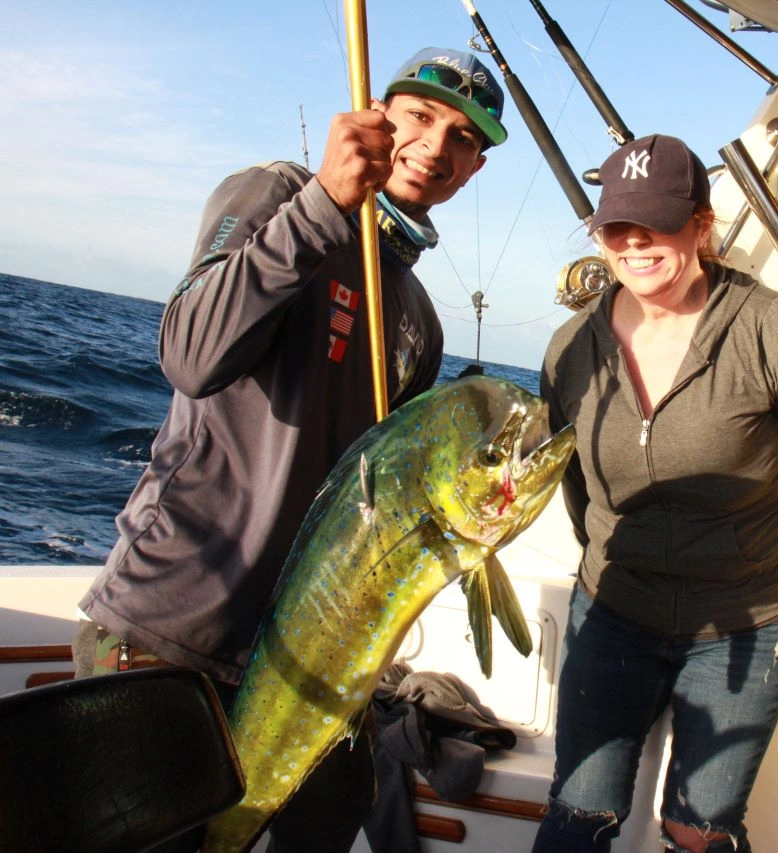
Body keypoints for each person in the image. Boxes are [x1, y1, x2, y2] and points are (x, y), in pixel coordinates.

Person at [73, 46, 507, 851]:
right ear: (376, 113)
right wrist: (323, 207)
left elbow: (384, 505)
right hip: (176, 630)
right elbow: (191, 354)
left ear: (475, 169)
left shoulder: (419, 319)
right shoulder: (274, 193)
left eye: (464, 139)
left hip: (315, 661)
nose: (436, 147)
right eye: (420, 116)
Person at [533, 134, 778, 853]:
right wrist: (609, 559)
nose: (635, 242)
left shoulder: (773, 329)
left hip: (748, 619)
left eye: (658, 223)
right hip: (615, 609)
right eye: (617, 226)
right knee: (578, 813)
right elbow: (572, 481)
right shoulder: (570, 349)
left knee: (700, 830)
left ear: (702, 227)